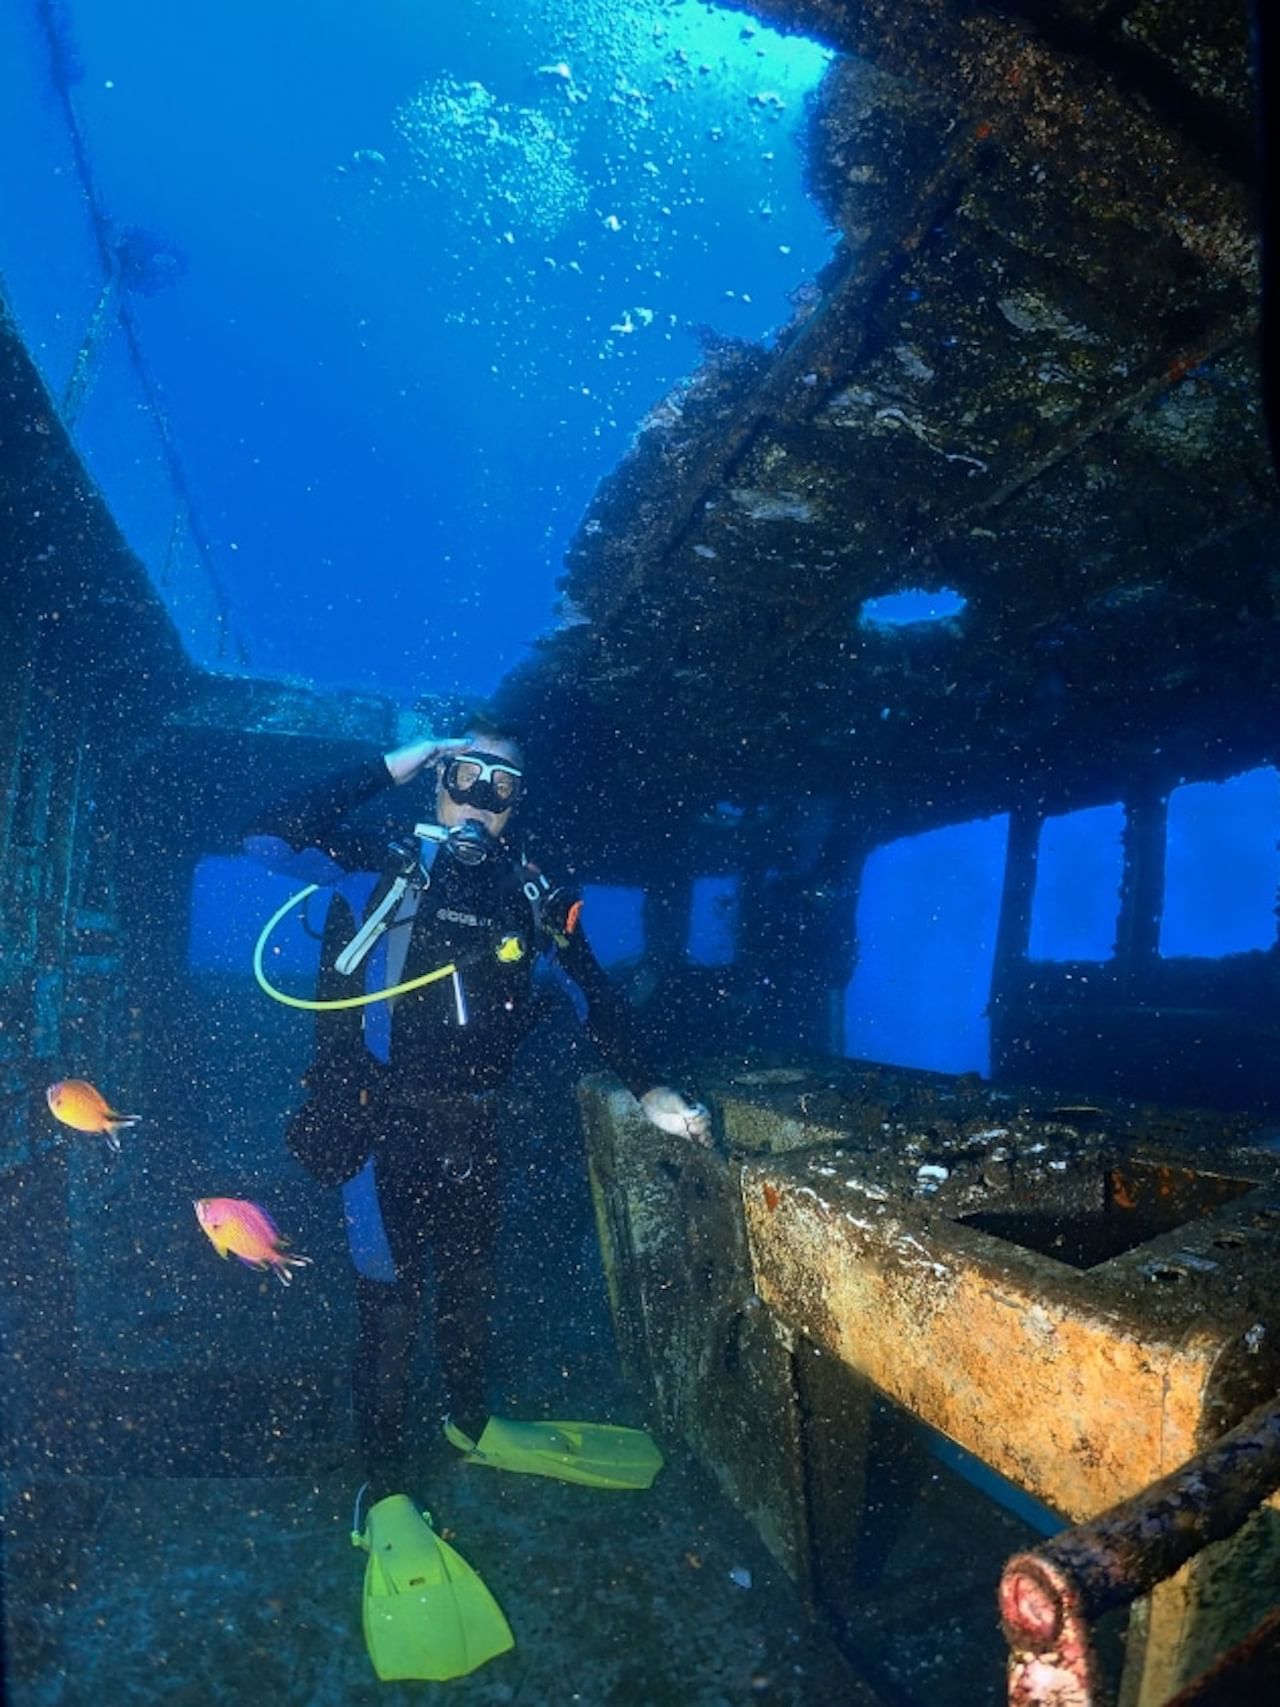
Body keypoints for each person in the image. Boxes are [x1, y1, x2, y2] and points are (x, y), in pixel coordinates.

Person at [243, 720, 709, 1670]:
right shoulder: (376, 866)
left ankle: (468, 1418)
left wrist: (651, 1085)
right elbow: (266, 836)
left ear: (519, 802)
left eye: (503, 785)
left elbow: (596, 998)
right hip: (380, 1126)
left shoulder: (536, 898)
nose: (482, 799)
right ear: (437, 782)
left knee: (470, 1282)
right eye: (465, 777)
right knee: (389, 1304)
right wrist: (389, 762)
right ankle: (379, 1489)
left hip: (475, 1128)